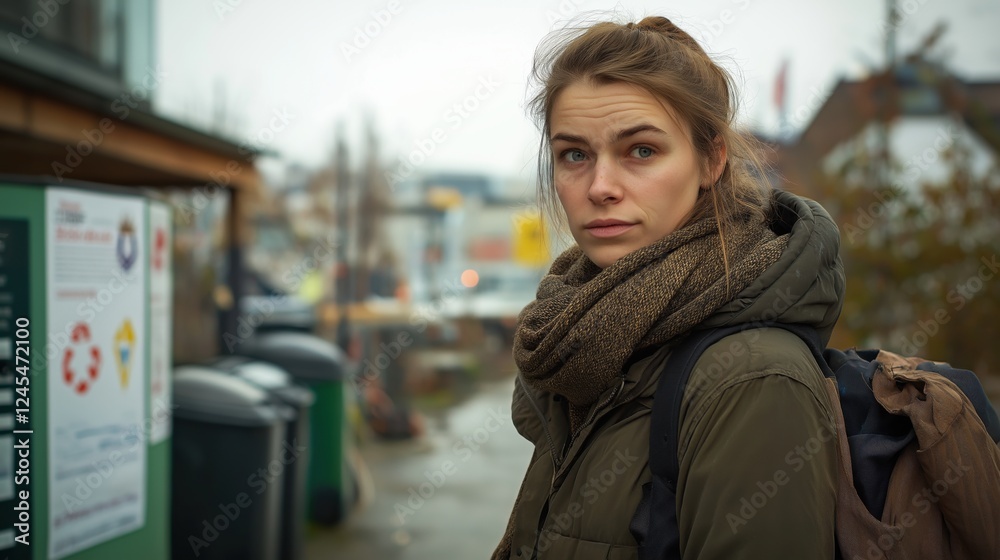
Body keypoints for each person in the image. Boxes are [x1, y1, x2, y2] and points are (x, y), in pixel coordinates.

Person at [493, 15, 843, 560]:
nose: (600, 187)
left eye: (641, 151)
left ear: (711, 160)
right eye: (574, 155)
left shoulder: (752, 381)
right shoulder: (577, 339)